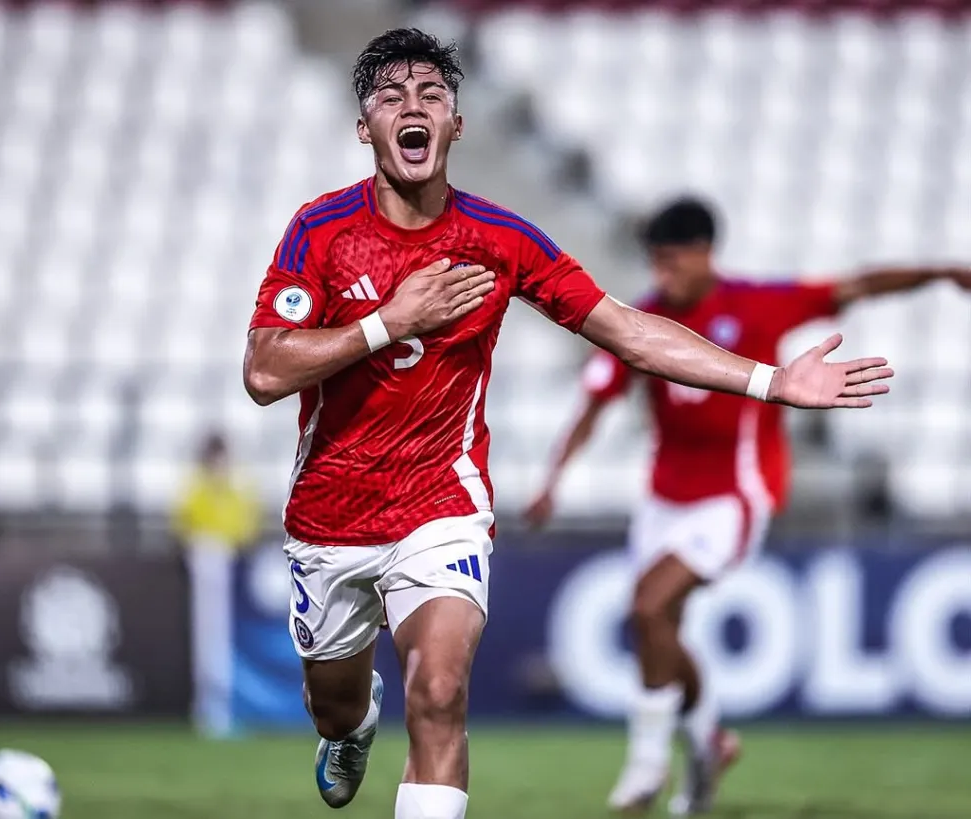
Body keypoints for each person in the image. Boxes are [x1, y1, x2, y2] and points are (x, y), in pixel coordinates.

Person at [242, 31, 892, 819]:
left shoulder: (501, 239)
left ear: (456, 124)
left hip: (440, 507)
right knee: (334, 705)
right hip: (330, 517)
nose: (412, 108)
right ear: (364, 128)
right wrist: (387, 321)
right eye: (390, 97)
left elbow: (624, 328)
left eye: (432, 96)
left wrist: (769, 380)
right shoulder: (321, 231)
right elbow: (265, 373)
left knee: (441, 691)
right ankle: (350, 727)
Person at [523, 197, 971, 814]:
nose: (664, 275)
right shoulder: (642, 321)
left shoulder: (756, 304)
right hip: (662, 500)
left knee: (649, 609)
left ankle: (648, 763)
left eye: (673, 261)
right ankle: (707, 745)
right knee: (659, 629)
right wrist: (553, 479)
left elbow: (856, 285)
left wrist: (941, 272)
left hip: (733, 497)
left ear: (707, 253)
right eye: (656, 262)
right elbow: (596, 402)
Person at [173, 432, 262, 738]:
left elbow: (248, 523)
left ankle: (218, 711)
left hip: (232, 562)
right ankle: (210, 712)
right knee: (210, 638)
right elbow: (185, 523)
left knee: (220, 641)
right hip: (208, 557)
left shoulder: (234, 486)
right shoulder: (197, 487)